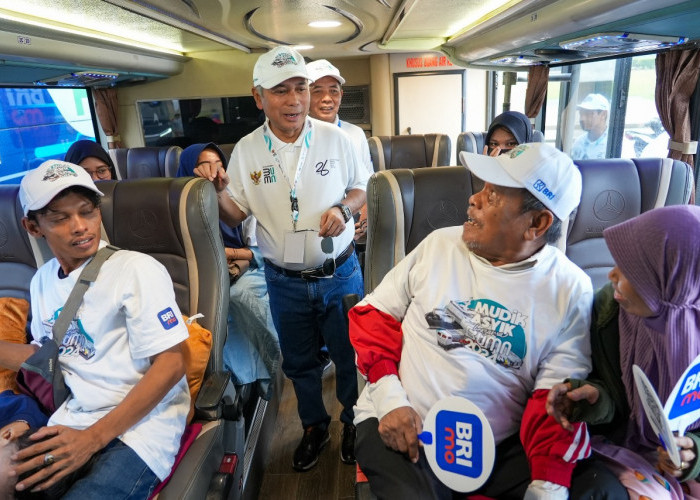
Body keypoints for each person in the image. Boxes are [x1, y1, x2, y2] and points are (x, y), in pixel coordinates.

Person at [350, 143, 626, 499]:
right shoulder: (439, 246)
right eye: (481, 188)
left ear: (538, 223)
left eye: (493, 196)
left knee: (600, 489)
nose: (473, 199)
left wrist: (546, 487)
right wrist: (390, 400)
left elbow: (554, 399)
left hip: (499, 445)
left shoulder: (570, 288)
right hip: (409, 424)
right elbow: (373, 314)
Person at [193, 46, 370, 472]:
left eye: (300, 89)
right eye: (281, 91)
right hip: (283, 279)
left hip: (339, 271)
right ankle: (314, 426)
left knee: (349, 356)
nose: (294, 100)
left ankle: (351, 421)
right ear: (259, 98)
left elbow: (362, 187)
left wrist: (344, 210)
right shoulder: (248, 151)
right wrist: (217, 189)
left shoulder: (336, 139)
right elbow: (237, 211)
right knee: (298, 361)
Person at [2, 160, 190, 498]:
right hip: (77, 416)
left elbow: (174, 362)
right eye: (60, 218)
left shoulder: (135, 269)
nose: (80, 227)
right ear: (32, 227)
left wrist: (93, 439)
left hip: (144, 427)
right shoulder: (42, 280)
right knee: (6, 478)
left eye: (87, 212)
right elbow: (47, 355)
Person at [546, 205, 700, 499]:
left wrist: (694, 454)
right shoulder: (608, 311)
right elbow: (611, 394)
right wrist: (592, 397)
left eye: (630, 271)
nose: (611, 274)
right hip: (626, 449)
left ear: (665, 283)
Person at [176, 143, 280, 400]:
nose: (213, 173)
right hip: (196, 274)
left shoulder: (238, 201)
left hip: (247, 267)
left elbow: (258, 251)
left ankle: (273, 369)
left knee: (239, 296)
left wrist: (230, 256)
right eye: (204, 167)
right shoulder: (176, 207)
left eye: (219, 166)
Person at [306, 59, 373, 242]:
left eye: (333, 91)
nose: (327, 98)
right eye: (317, 91)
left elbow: (368, 183)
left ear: (341, 95)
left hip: (351, 222)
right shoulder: (294, 136)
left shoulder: (356, 134)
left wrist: (364, 221)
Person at [570, 93, 610, 160]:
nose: (582, 118)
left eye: (588, 114)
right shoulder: (578, 143)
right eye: (581, 114)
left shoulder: (613, 145)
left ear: (603, 114)